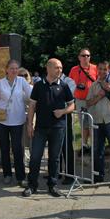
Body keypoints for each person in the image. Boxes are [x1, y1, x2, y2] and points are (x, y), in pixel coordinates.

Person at [23, 59, 75, 197]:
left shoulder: (64, 86)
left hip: (58, 128)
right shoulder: (39, 85)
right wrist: (30, 124)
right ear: (49, 68)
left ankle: (52, 185)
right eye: (57, 67)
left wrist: (62, 112)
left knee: (54, 158)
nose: (60, 70)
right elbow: (32, 106)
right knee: (35, 157)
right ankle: (32, 185)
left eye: (61, 67)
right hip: (41, 128)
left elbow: (72, 105)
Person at [0, 59, 32, 186]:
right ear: (6, 70)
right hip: (2, 121)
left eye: (16, 68)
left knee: (18, 149)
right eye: (11, 68)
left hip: (18, 120)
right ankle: (7, 174)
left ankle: (20, 176)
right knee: (4, 148)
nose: (14, 71)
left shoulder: (22, 81)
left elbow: (31, 94)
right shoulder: (0, 83)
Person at [68, 48, 97, 151]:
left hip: (93, 100)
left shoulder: (95, 68)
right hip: (80, 100)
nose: (86, 57)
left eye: (88, 55)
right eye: (83, 55)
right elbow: (69, 84)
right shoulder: (74, 69)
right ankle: (84, 145)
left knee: (92, 123)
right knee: (83, 123)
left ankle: (94, 145)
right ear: (79, 57)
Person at [59, 72, 77, 184]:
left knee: (66, 145)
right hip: (54, 114)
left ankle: (70, 175)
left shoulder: (69, 82)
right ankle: (57, 172)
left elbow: (67, 97)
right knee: (54, 145)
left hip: (65, 114)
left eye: (58, 68)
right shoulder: (49, 81)